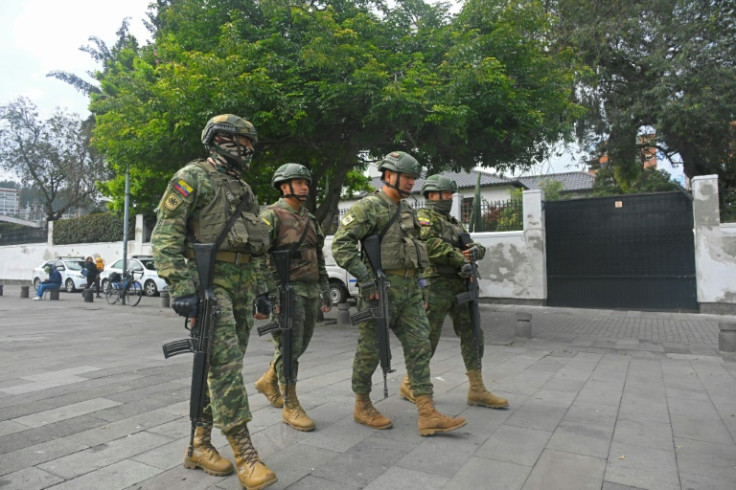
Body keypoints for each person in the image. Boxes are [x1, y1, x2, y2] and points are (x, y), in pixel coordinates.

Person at [151, 114, 276, 490]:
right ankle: (245, 453)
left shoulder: (244, 189)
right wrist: (182, 286)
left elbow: (255, 248)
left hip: (240, 286)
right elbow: (166, 235)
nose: (249, 150)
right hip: (209, 285)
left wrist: (262, 289)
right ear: (222, 139)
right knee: (224, 369)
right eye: (245, 142)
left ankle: (199, 445)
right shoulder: (192, 177)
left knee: (221, 364)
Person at [332, 151, 467, 436]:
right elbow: (341, 245)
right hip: (379, 292)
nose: (410, 183)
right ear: (389, 175)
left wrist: (421, 287)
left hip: (410, 292)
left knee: (420, 347)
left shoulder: (407, 210)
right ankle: (362, 403)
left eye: (413, 179)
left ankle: (427, 412)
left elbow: (417, 251)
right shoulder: (368, 207)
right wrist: (367, 281)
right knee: (370, 352)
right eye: (406, 177)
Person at [398, 174, 509, 409]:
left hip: (461, 284)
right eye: (445, 194)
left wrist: (476, 252)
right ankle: (409, 383)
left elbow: (471, 244)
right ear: (432, 195)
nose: (449, 198)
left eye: (450, 194)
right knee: (428, 337)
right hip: (435, 284)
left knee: (473, 334)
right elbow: (430, 245)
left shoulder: (454, 222)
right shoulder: (423, 217)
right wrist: (460, 257)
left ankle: (477, 389)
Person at [254, 163, 332, 432]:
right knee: (288, 347)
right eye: (298, 182)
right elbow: (259, 256)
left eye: (306, 182)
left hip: (310, 290)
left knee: (299, 346)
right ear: (283, 186)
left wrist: (324, 289)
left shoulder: (310, 219)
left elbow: (318, 256)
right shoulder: (271, 216)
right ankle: (291, 404)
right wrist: (269, 292)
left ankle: (268, 380)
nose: (304, 186)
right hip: (285, 292)